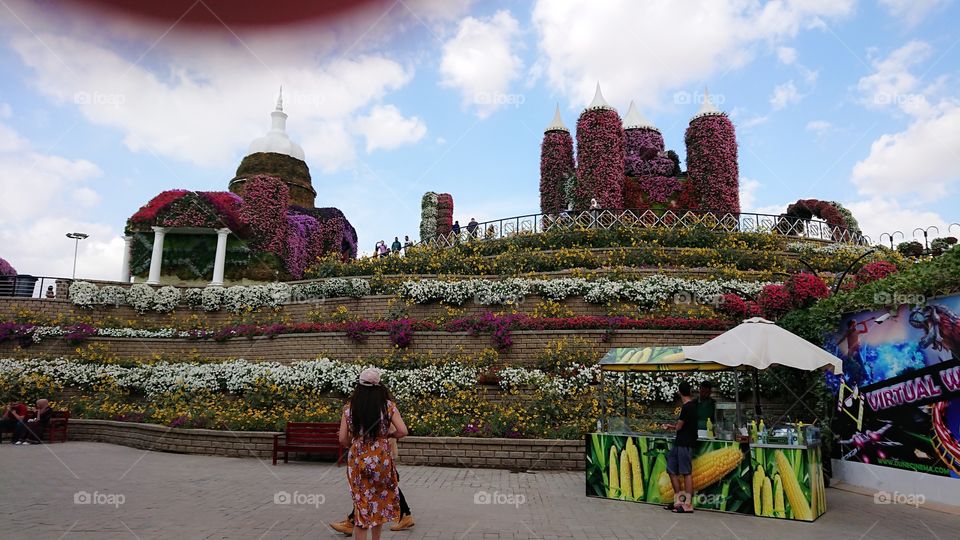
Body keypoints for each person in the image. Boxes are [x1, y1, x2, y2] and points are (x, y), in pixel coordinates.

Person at [335, 368, 408, 540]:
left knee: (361, 504)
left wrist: (354, 443)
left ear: (359, 386)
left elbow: (342, 439)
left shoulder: (349, 409)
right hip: (381, 458)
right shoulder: (388, 406)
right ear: (378, 386)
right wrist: (388, 435)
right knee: (378, 501)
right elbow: (403, 431)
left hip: (358, 459)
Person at [330, 424, 415, 536]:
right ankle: (405, 515)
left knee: (370, 489)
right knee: (383, 486)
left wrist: (350, 437)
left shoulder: (382, 412)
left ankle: (352, 523)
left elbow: (392, 428)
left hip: (377, 452)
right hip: (377, 452)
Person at [663, 381, 697, 513]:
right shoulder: (691, 406)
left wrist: (669, 426)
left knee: (686, 473)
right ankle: (678, 501)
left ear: (679, 392)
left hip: (685, 443)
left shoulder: (688, 407)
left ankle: (688, 504)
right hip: (679, 442)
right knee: (671, 468)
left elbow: (679, 426)